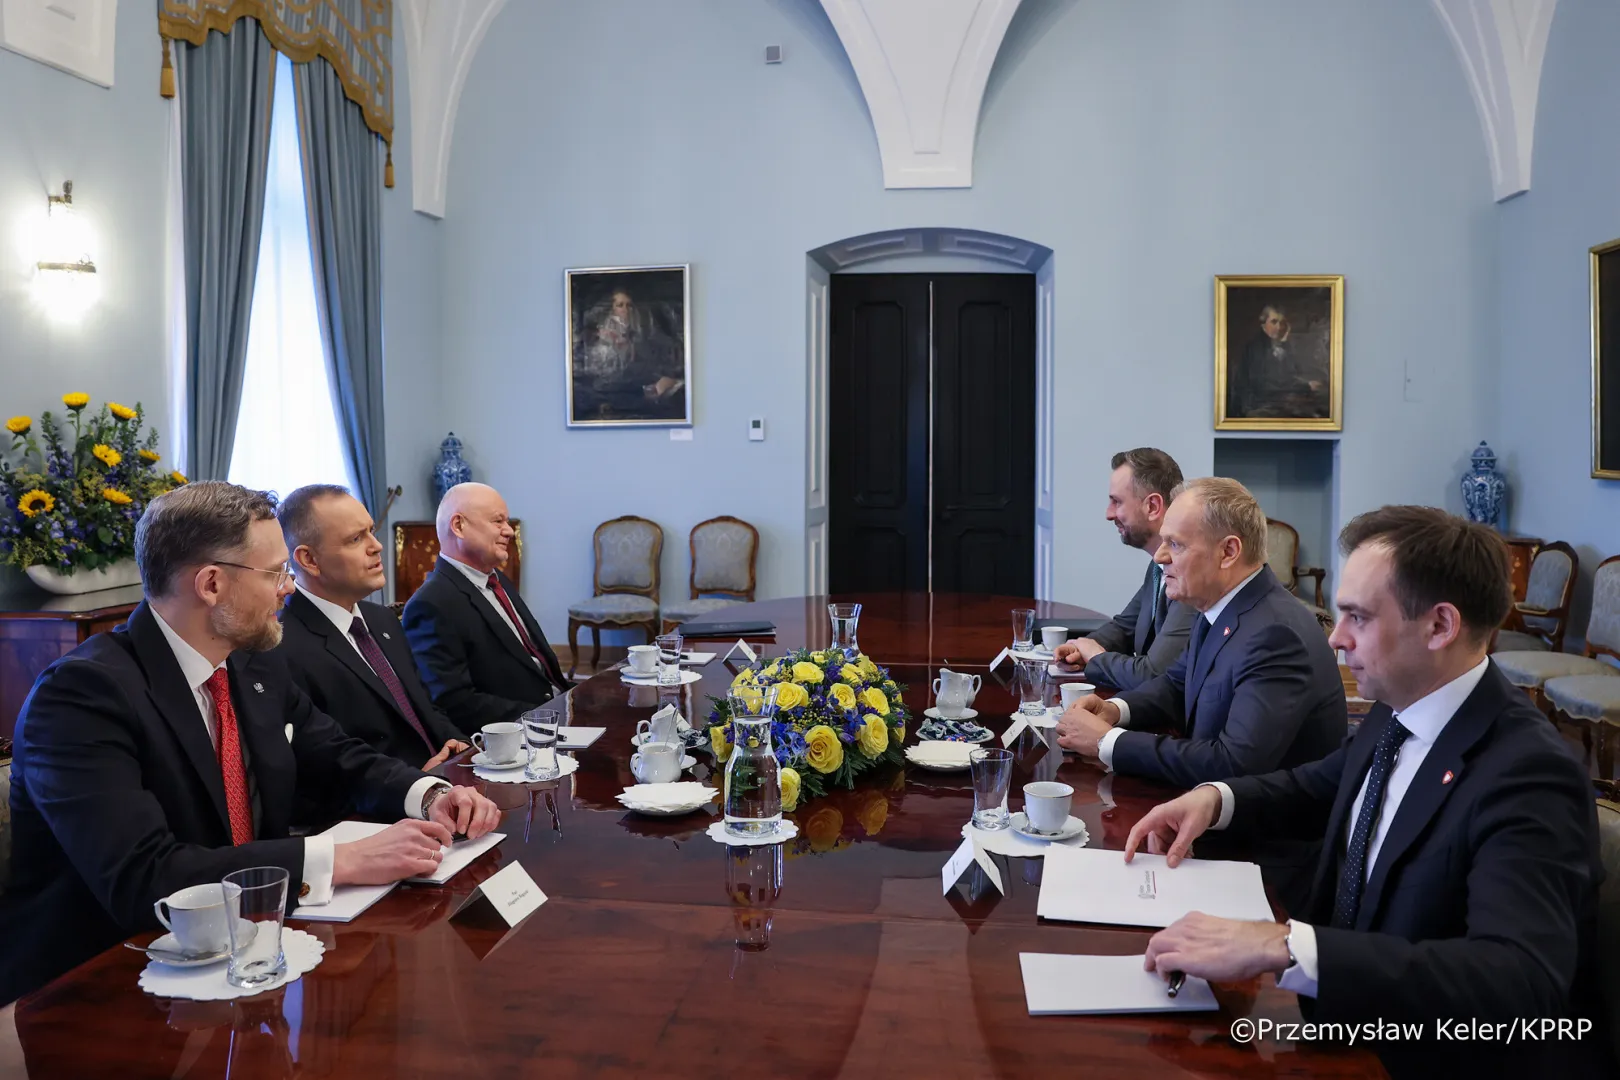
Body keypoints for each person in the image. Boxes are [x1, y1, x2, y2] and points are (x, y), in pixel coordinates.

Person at [1124, 506, 1606, 1077]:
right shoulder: (1400, 707)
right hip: (1338, 1026)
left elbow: (1519, 981)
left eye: (1357, 617)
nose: (1335, 637)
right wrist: (1216, 800)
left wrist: (1283, 946)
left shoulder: (1528, 775)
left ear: (1439, 626)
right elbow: (1321, 785)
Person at [0, 482, 501, 1004]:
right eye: (275, 573)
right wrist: (341, 859)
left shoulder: (251, 661)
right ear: (212, 584)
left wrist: (430, 794)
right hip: (101, 984)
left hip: (249, 953)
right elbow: (143, 878)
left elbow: (337, 754)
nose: (288, 588)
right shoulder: (83, 695)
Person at [1055, 477, 1345, 788]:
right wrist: (1113, 710)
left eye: (1175, 544)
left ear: (1228, 552)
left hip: (1259, 832)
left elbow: (1233, 764)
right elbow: (1177, 685)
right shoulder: (1222, 605)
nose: (1160, 556)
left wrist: (1107, 742)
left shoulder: (1275, 635)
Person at [274, 484, 469, 781]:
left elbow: (425, 709)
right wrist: (415, 783)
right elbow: (320, 767)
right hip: (386, 810)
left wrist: (464, 750)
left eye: (370, 531)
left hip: (447, 781)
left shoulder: (383, 619)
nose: (376, 546)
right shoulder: (282, 647)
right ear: (309, 560)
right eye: (355, 539)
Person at [403, 482, 566, 731]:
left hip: (559, 708)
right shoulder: (432, 603)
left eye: (507, 521)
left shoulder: (498, 581)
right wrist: (548, 717)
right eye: (497, 521)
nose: (509, 531)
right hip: (520, 733)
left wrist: (578, 699)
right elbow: (453, 702)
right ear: (459, 526)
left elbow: (538, 665)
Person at [1054, 448, 1197, 691]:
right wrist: (1083, 647)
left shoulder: (1190, 575)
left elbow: (1152, 675)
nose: (1109, 514)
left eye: (1116, 502)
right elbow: (1125, 627)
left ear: (1152, 506)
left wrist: (1097, 658)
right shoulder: (1157, 566)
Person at [1229, 304, 1330, 420]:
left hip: (1275, 400)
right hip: (1257, 405)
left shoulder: (1279, 344)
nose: (1279, 327)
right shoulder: (1255, 348)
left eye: (1281, 323)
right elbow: (1265, 386)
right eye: (1274, 322)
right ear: (1263, 324)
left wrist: (1284, 342)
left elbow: (1291, 373)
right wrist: (1305, 386)